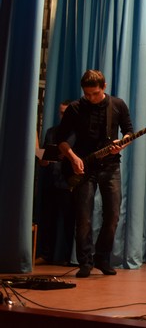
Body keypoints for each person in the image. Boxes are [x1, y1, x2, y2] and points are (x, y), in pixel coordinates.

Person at [56, 70, 133, 278]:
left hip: (110, 166)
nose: (90, 98)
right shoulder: (75, 108)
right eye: (87, 94)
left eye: (95, 93)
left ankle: (102, 258)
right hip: (83, 167)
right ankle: (85, 262)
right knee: (84, 218)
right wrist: (73, 158)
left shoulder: (117, 105)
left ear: (104, 87)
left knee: (113, 215)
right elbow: (60, 139)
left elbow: (129, 131)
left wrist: (122, 143)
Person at [35, 100, 75, 265]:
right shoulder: (51, 132)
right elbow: (43, 158)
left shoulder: (78, 133)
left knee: (69, 222)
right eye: (61, 112)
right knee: (48, 220)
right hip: (51, 181)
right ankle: (46, 254)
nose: (62, 115)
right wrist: (42, 159)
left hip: (69, 184)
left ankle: (67, 257)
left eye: (66, 113)